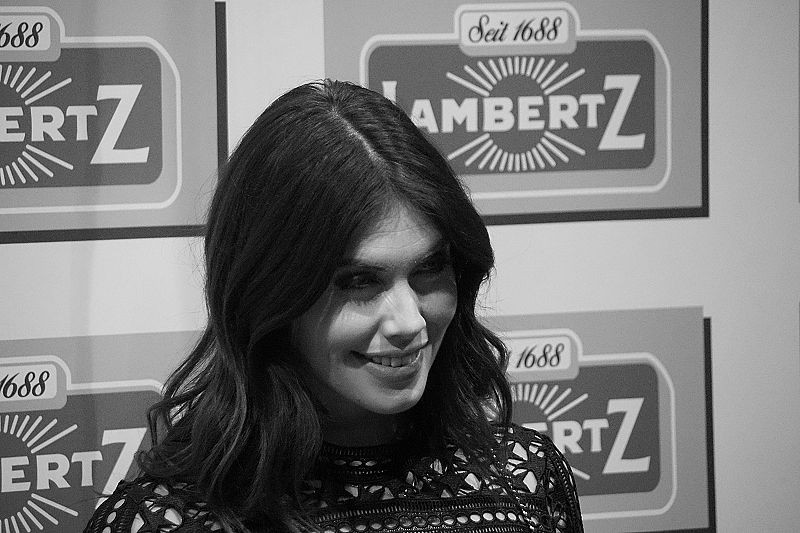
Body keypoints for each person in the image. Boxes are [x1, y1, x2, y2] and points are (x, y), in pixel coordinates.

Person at [84, 80, 583, 533]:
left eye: (430, 268)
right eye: (360, 282)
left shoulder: (526, 481)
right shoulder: (163, 521)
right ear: (271, 293)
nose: (410, 321)